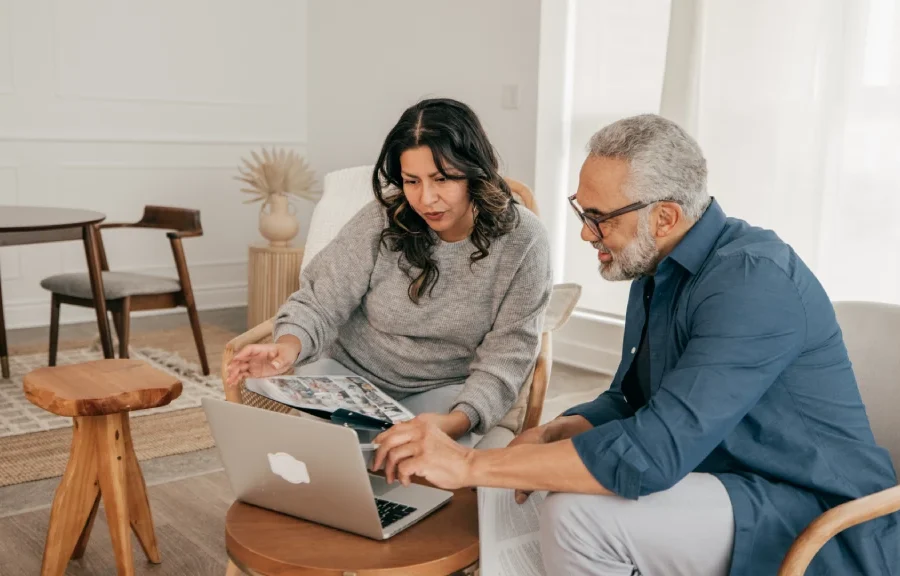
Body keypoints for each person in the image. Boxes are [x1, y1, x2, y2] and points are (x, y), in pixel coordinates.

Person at [370, 114, 899, 575]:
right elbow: (631, 399)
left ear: (664, 216)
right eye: (583, 211)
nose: (584, 233)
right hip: (722, 479)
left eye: (598, 218)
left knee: (576, 516)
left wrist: (468, 465)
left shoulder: (753, 282)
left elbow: (653, 453)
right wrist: (560, 428)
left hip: (810, 510)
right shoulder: (656, 266)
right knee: (534, 484)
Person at [226, 98, 553, 446]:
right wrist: (287, 348)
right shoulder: (382, 219)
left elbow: (509, 354)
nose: (426, 199)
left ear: (474, 171)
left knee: (418, 473)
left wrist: (457, 422)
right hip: (347, 380)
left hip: (444, 392)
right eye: (412, 181)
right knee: (310, 468)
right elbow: (320, 300)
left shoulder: (524, 241)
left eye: (441, 179)